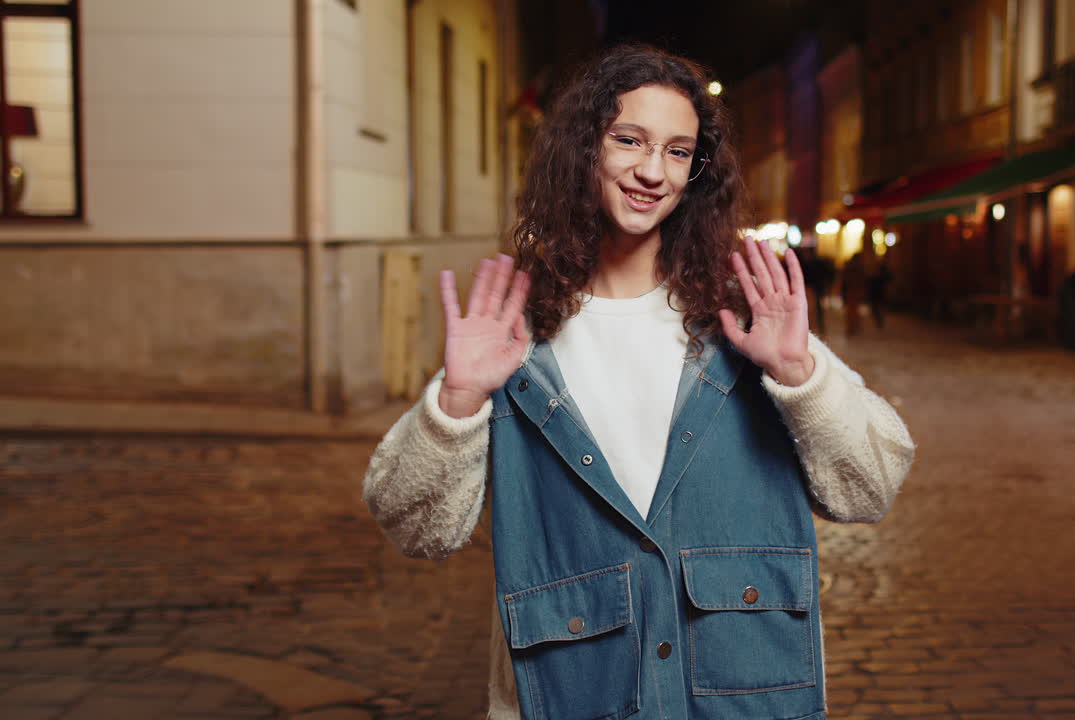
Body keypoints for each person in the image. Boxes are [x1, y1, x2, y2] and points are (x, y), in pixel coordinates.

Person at [362, 44, 915, 720]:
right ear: (583, 148)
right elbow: (418, 530)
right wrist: (458, 401)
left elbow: (868, 488)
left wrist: (800, 374)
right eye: (629, 140)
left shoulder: (742, 322)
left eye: (679, 152)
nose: (653, 171)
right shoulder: (514, 333)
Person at [841, 252, 866, 335]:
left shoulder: (851, 267)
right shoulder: (857, 267)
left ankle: (852, 326)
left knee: (852, 310)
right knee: (852, 310)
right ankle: (852, 326)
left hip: (852, 291)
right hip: (852, 291)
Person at [867, 260, 893, 329]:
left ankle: (880, 321)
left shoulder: (881, 276)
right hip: (876, 295)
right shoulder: (873, 276)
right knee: (876, 309)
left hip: (880, 295)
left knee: (879, 309)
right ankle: (879, 321)